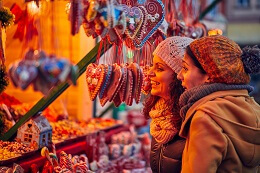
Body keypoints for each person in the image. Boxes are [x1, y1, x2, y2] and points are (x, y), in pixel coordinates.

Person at [177, 35, 260, 173]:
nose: (179, 75)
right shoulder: (255, 109)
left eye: (185, 68)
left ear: (210, 75)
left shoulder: (206, 118)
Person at [142, 36, 193, 173]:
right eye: (152, 66)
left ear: (179, 76)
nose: (150, 73)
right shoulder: (159, 118)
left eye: (159, 69)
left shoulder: (192, 120)